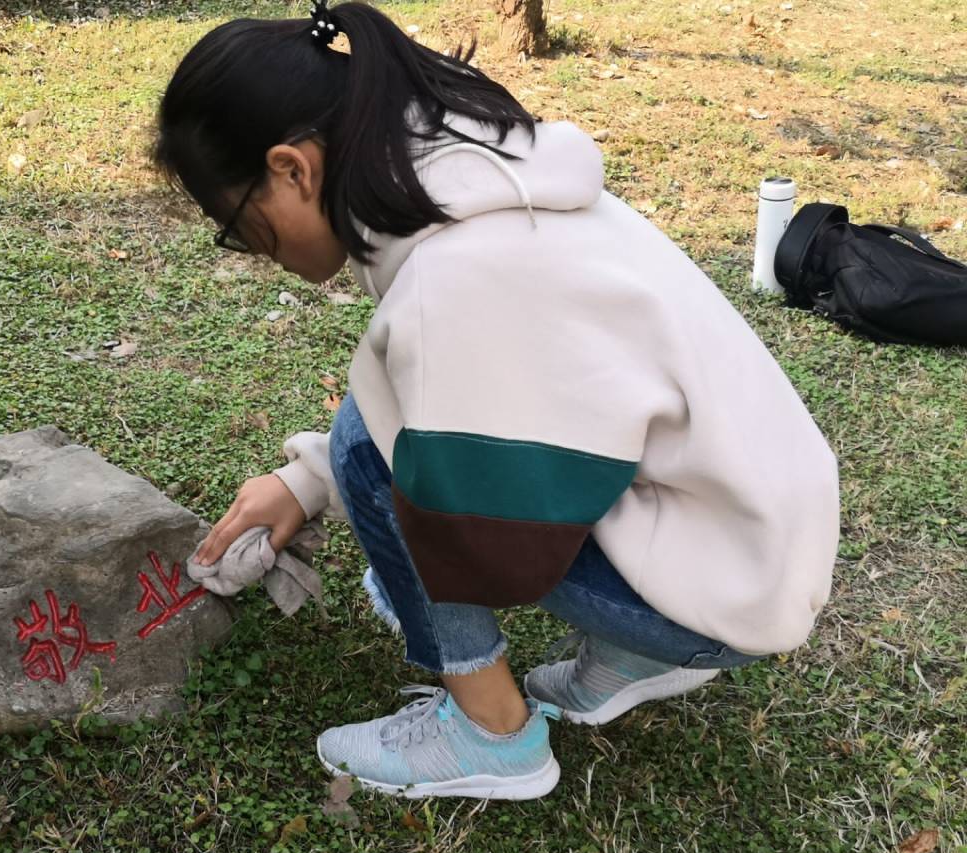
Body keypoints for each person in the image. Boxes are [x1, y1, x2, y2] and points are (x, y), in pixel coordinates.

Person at [154, 2, 839, 801]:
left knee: (380, 470)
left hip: (721, 588)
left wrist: (391, 545)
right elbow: (430, 387)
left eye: (239, 227)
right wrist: (306, 482)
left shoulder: (456, 274)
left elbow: (478, 529)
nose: (252, 252)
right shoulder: (464, 169)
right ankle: (636, 655)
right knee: (374, 446)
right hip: (745, 543)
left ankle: (492, 734)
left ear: (293, 170)